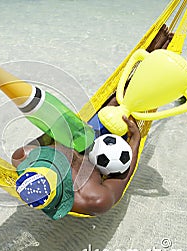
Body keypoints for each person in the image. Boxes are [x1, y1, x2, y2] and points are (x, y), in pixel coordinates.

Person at [10, 25, 173, 219]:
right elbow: (123, 175)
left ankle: (148, 54)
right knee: (132, 109)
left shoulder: (25, 157)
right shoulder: (96, 199)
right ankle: (155, 62)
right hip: (107, 159)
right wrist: (135, 139)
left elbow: (50, 132)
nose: (55, 163)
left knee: (111, 104)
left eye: (50, 163)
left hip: (80, 137)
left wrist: (63, 132)